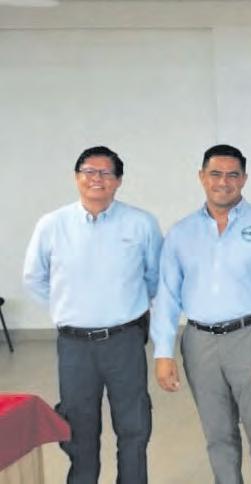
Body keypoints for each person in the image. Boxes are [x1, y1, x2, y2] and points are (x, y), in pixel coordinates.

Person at [151, 144, 251, 484]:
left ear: (244, 179)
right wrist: (163, 353)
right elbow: (167, 296)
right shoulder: (181, 233)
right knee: (217, 434)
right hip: (199, 342)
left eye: (232, 175)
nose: (223, 182)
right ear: (202, 177)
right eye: (215, 174)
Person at [23, 146, 161, 484]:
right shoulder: (52, 224)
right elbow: (34, 278)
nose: (97, 178)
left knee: (134, 425)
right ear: (76, 177)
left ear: (118, 181)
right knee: (78, 427)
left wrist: (125, 306)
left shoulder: (141, 223)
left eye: (106, 173)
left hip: (125, 340)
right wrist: (68, 308)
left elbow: (155, 276)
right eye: (88, 171)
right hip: (75, 346)